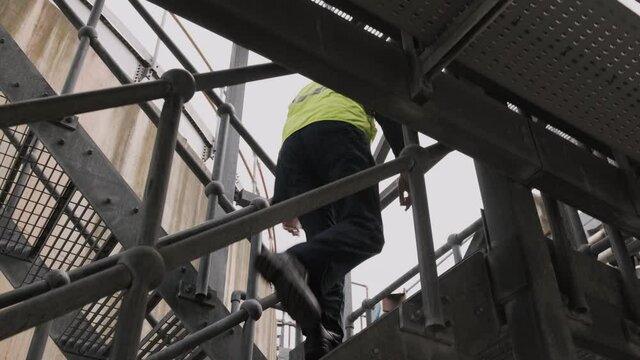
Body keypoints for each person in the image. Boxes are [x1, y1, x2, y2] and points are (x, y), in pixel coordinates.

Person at [255, 81, 409, 360]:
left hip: (294, 152)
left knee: (325, 250)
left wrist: (284, 197)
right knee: (366, 230)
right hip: (339, 132)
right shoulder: (352, 65)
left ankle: (322, 337)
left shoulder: (313, 83)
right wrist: (406, 157)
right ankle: (294, 261)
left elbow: (295, 130)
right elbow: (386, 105)